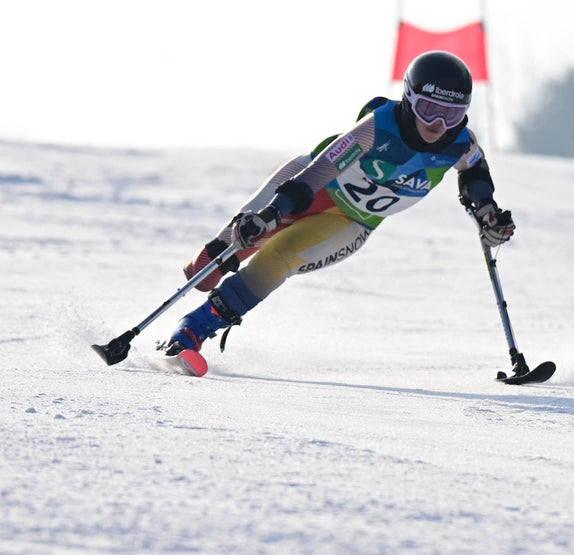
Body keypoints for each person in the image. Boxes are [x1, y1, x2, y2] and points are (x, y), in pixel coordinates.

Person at [163, 50, 515, 357]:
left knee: (278, 259)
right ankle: (210, 271)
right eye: (428, 109)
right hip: (306, 186)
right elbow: (320, 172)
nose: (437, 124)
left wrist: (487, 212)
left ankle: (192, 330)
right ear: (408, 98)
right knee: (204, 271)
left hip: (352, 221)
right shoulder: (377, 127)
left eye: (451, 115)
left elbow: (475, 175)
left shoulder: (461, 144)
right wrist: (272, 213)